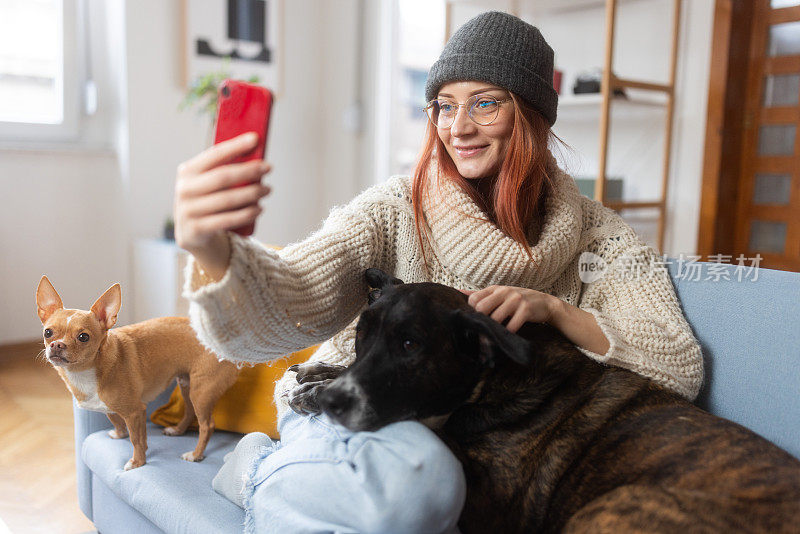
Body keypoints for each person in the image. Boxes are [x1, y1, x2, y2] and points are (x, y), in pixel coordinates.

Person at [173, 11, 703, 534]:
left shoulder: (599, 237)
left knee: (431, 486)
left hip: (440, 435)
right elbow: (294, 294)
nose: (459, 127)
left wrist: (557, 311)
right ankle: (256, 472)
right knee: (420, 487)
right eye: (444, 106)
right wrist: (213, 252)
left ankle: (284, 496)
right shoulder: (394, 209)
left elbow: (675, 364)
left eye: (485, 103)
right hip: (339, 397)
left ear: (533, 114)